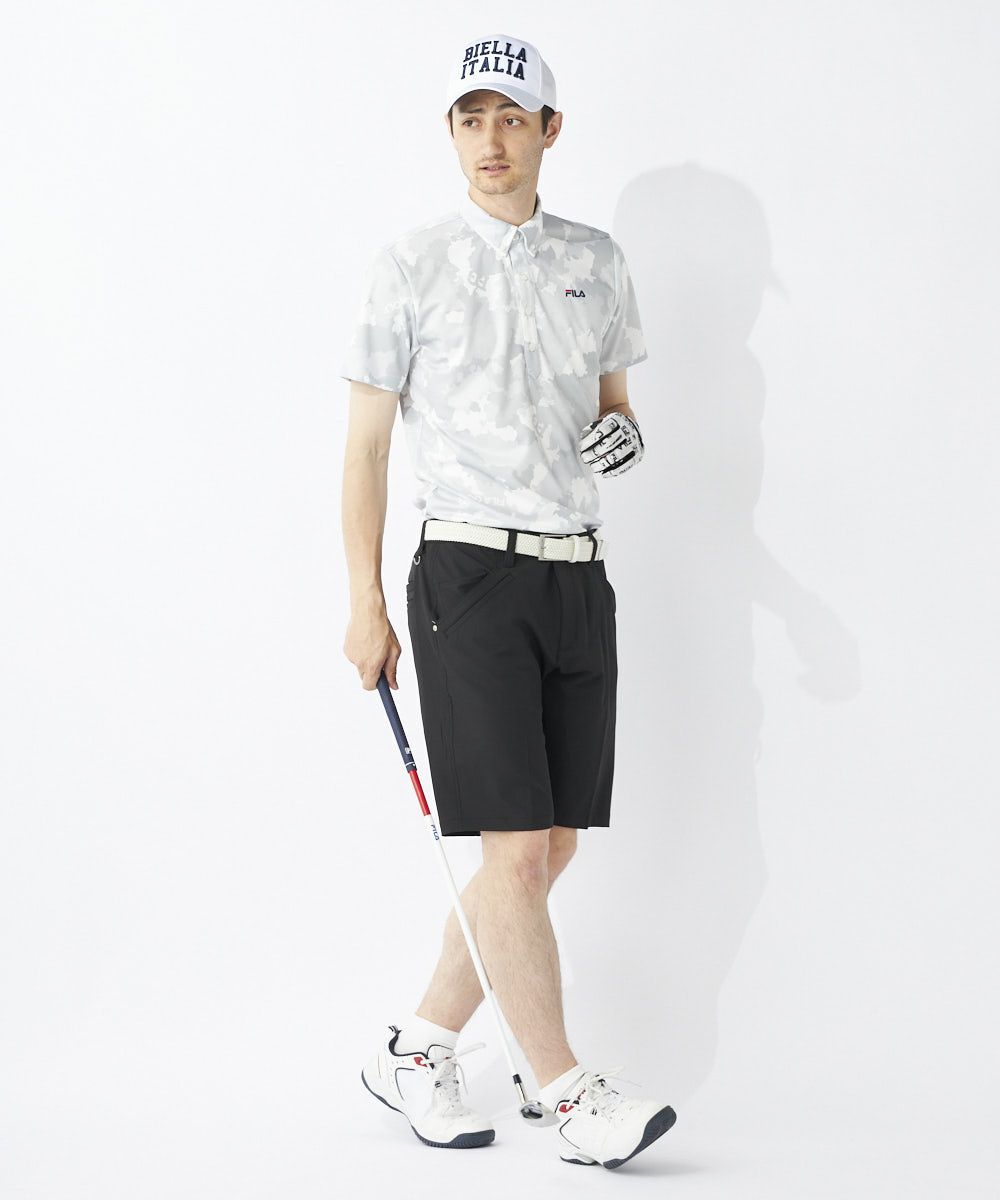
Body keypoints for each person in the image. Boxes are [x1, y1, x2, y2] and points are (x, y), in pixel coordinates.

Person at [339, 34, 675, 1169]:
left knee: (550, 847)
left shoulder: (596, 259)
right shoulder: (409, 265)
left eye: (512, 117)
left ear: (549, 130)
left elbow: (616, 406)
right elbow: (365, 449)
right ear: (451, 132)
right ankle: (571, 1093)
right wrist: (364, 600)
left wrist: (623, 434)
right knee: (516, 851)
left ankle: (421, 1043)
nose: (490, 139)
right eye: (470, 117)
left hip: (577, 573)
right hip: (468, 576)